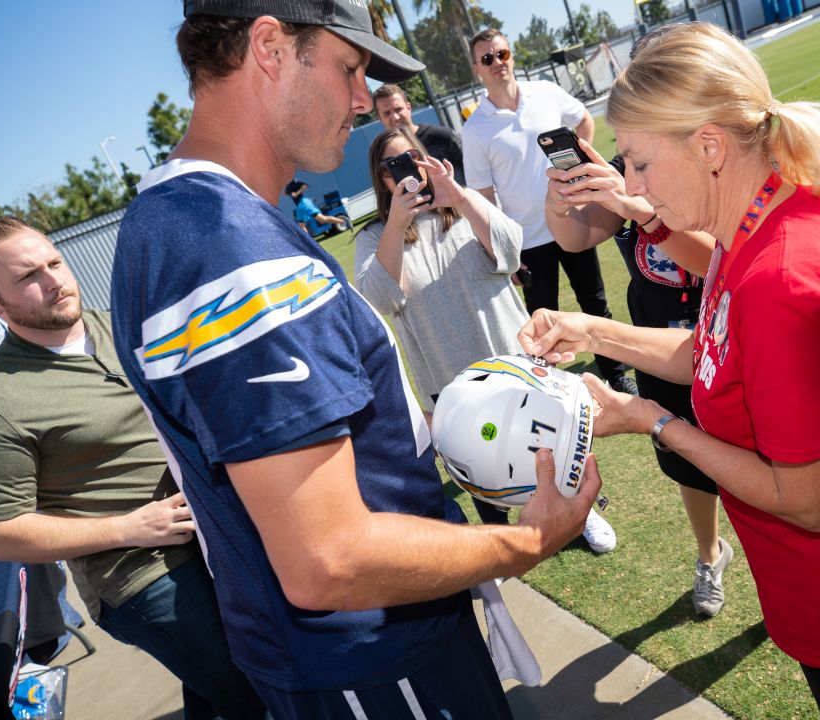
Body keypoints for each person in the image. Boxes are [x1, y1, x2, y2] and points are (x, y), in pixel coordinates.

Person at [109, 4, 601, 718]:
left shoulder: (203, 219)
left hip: (363, 649)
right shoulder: (228, 253)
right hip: (369, 661)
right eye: (349, 68)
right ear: (271, 47)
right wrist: (528, 540)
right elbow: (327, 560)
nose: (364, 99)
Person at [521, 23, 820, 718]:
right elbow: (712, 351)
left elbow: (810, 501)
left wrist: (649, 419)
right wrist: (589, 328)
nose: (628, 187)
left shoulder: (783, 278)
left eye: (638, 162)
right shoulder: (761, 220)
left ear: (710, 147)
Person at [0, 217, 266, 720]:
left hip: (221, 536)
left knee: (222, 695)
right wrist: (128, 527)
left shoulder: (125, 325)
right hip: (143, 575)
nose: (54, 281)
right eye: (27, 277)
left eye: (54, 262)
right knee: (260, 693)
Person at [355, 127, 616, 551]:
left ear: (426, 160)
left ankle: (582, 515)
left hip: (510, 358)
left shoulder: (460, 207)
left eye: (410, 158)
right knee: (478, 465)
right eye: (391, 166)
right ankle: (503, 541)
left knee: (553, 440)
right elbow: (378, 298)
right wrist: (398, 221)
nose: (404, 172)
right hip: (448, 375)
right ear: (380, 178)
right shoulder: (375, 237)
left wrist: (457, 196)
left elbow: (511, 250)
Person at [541, 26, 729, 613]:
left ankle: (775, 557)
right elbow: (575, 237)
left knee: (754, 455)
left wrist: (639, 209)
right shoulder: (630, 165)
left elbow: (716, 259)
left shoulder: (711, 158)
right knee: (685, 456)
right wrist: (560, 194)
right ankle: (710, 554)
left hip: (723, 328)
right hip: (656, 337)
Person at [461, 28, 637, 396]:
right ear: (477, 69)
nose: (498, 64)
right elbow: (483, 199)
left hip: (575, 221)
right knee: (542, 321)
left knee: (595, 304)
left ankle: (616, 374)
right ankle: (553, 394)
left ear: (511, 55)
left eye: (503, 54)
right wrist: (502, 253)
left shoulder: (544, 92)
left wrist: (581, 174)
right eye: (488, 59)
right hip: (528, 243)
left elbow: (583, 121)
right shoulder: (475, 129)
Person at [372, 83, 467, 187]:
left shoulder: (442, 136)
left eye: (398, 109)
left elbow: (476, 170)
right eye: (386, 113)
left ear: (409, 107)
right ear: (379, 118)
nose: (395, 117)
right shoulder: (383, 155)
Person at [284, 179, 349, 234]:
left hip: (303, 203)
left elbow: (305, 186)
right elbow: (285, 193)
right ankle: (343, 221)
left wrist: (297, 193)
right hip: (301, 205)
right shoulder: (288, 187)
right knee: (321, 219)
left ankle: (344, 221)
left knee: (302, 225)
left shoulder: (294, 182)